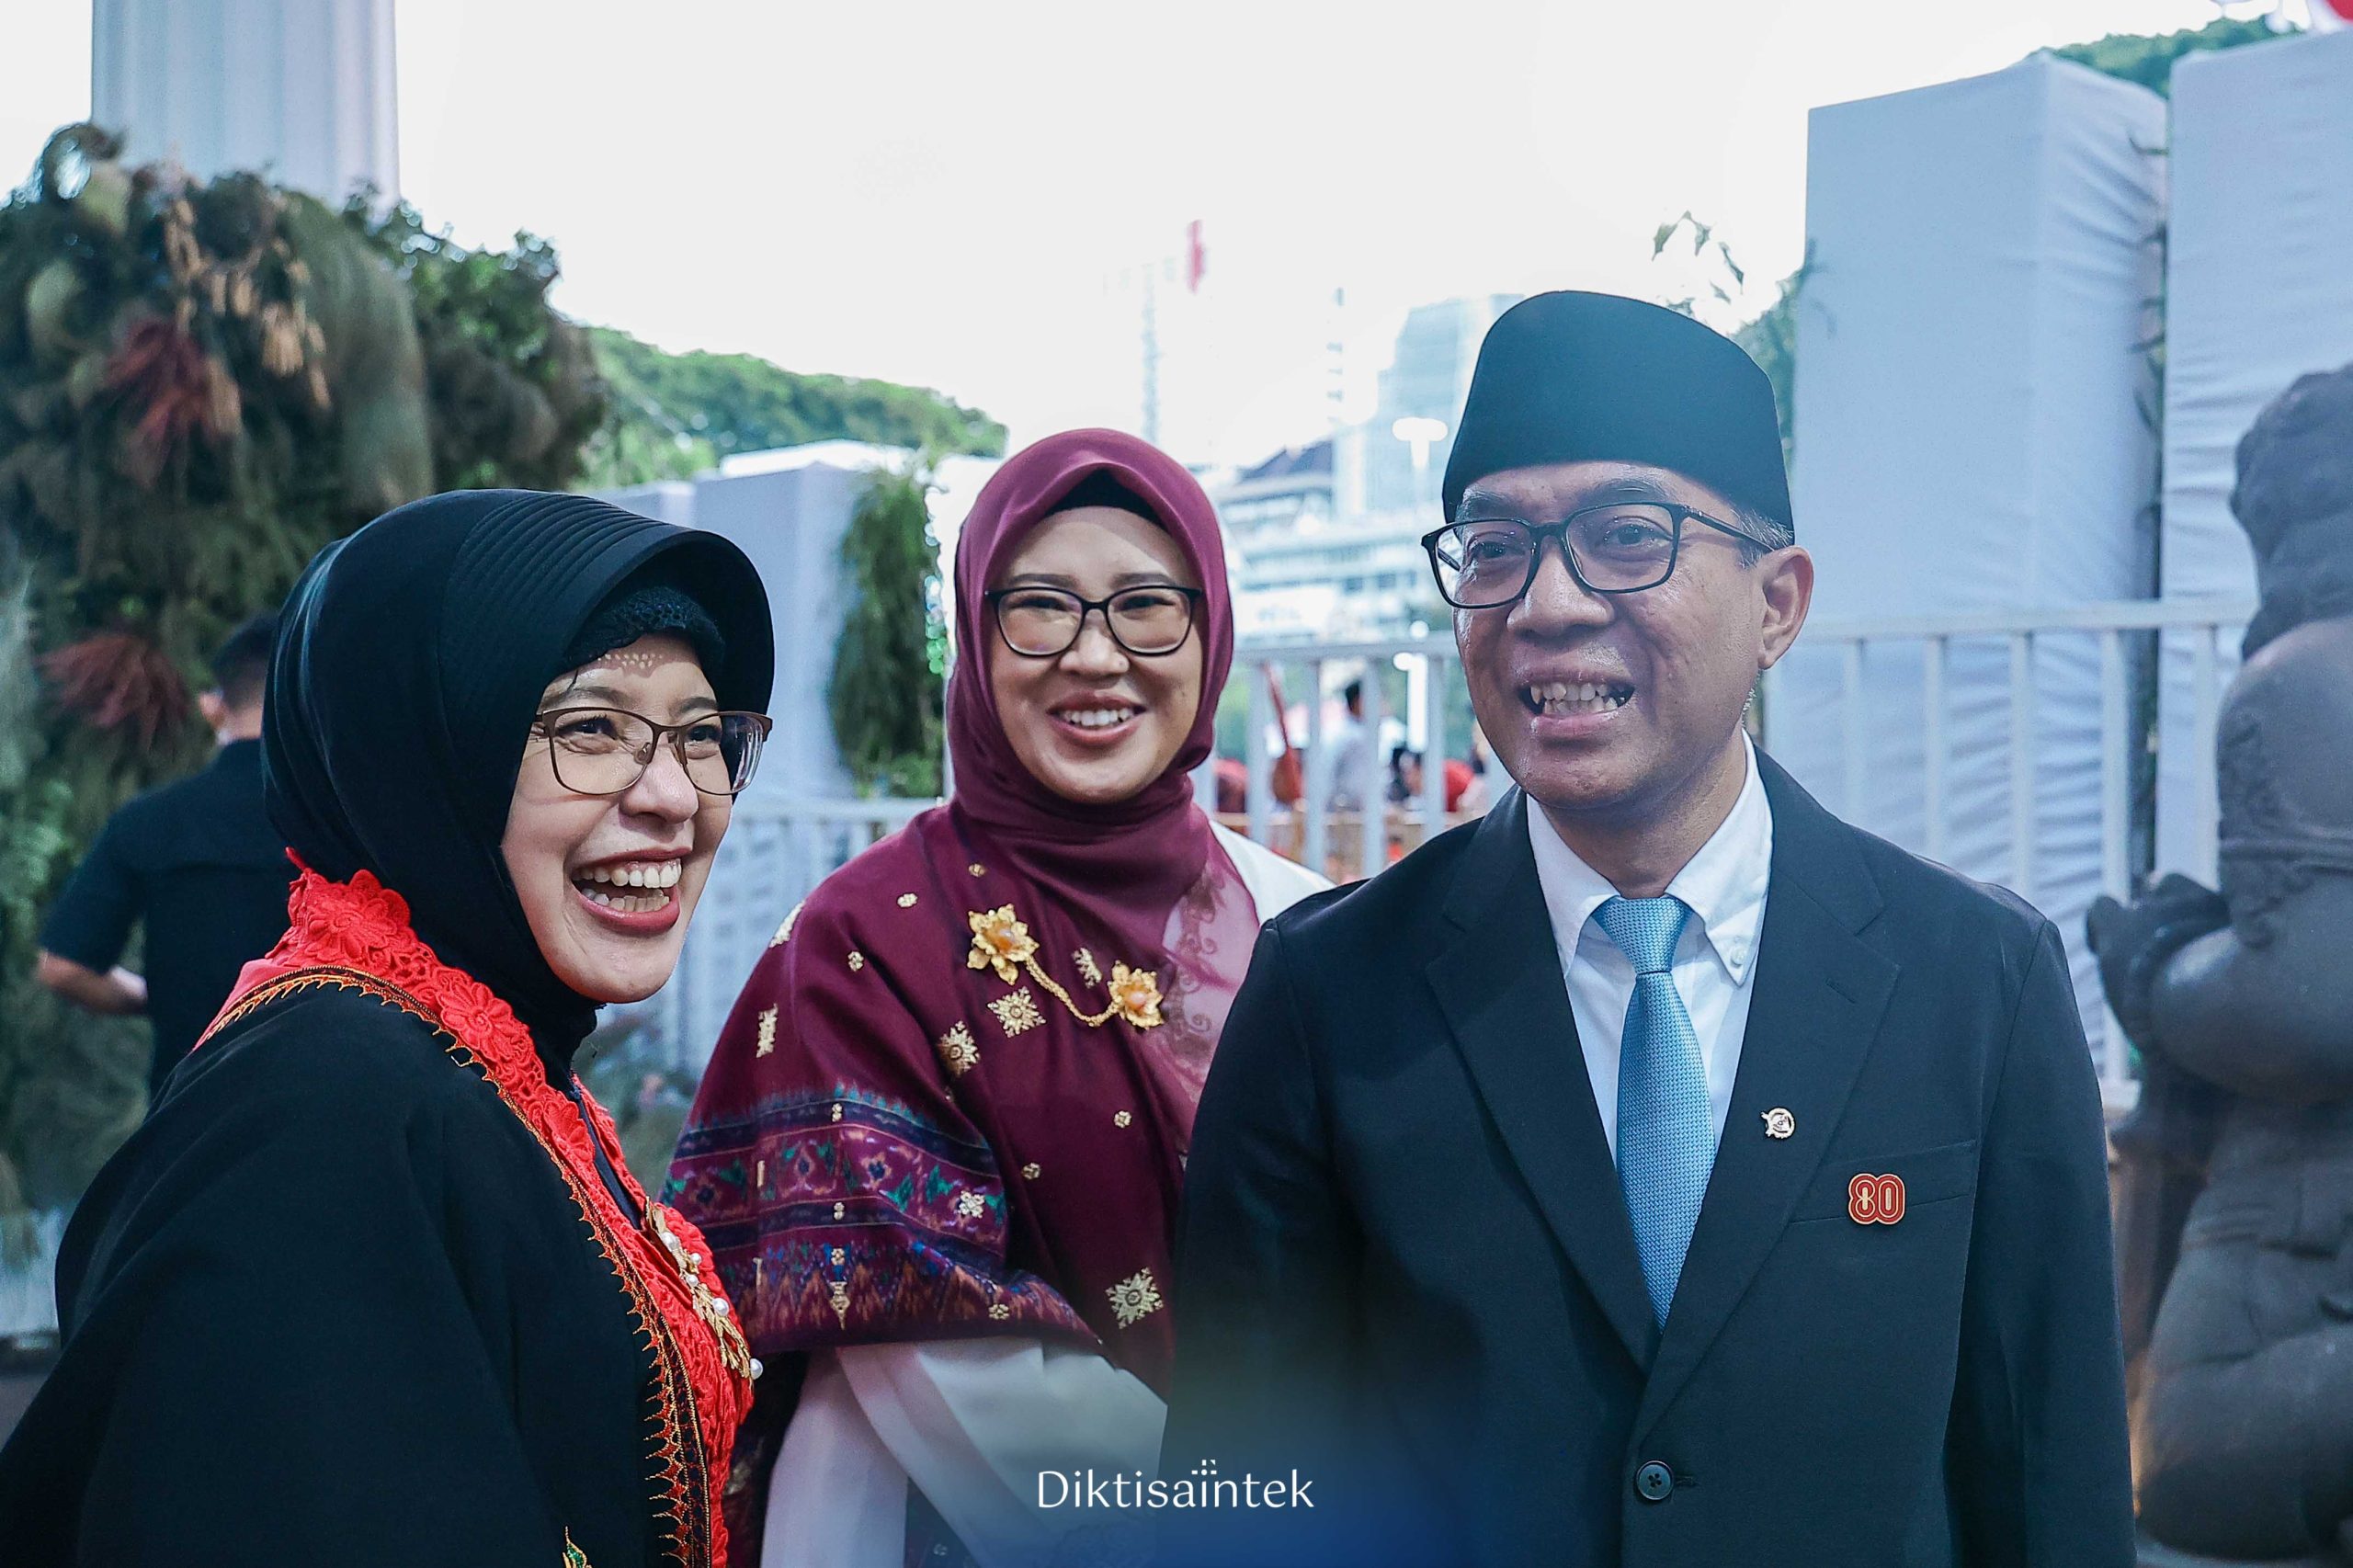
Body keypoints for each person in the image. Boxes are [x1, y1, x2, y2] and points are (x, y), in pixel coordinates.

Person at [1161, 292, 2132, 1567]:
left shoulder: (1974, 981)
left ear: (1778, 602)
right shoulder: (1332, 993)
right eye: (1495, 547)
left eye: (1627, 536)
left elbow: (2048, 1480)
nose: (1547, 604)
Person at [0, 491, 773, 1566]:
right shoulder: (319, 1114)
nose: (674, 796)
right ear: (422, 750)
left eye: (702, 736)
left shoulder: (492, 1065)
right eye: (590, 726)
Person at [668, 429, 1326, 1568]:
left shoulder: (1304, 925)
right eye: (1040, 608)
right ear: (976, 635)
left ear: (1209, 633)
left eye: (1145, 607)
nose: (1095, 655)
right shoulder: (864, 945)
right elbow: (931, 1331)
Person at [35, 613, 295, 1098]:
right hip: (322, 1106)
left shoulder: (150, 820)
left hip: (186, 1112)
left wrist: (167, 996)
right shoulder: (347, 823)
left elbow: (64, 967)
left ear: (213, 707)